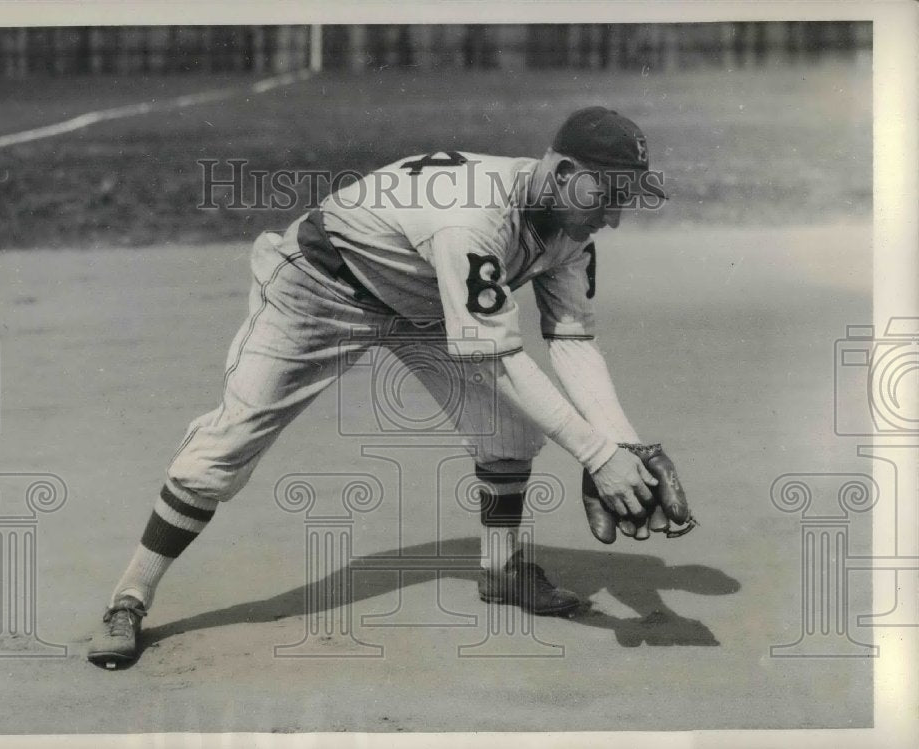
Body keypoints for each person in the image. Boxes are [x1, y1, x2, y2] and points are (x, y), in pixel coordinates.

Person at [88, 106, 671, 667]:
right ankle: (129, 597)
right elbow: (499, 356)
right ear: (564, 173)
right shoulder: (473, 217)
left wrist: (623, 447)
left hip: (424, 301)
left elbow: (571, 341)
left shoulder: (570, 228)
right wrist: (595, 456)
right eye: (609, 194)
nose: (615, 215)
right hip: (322, 285)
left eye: (626, 199)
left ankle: (501, 570)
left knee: (511, 429)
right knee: (229, 443)